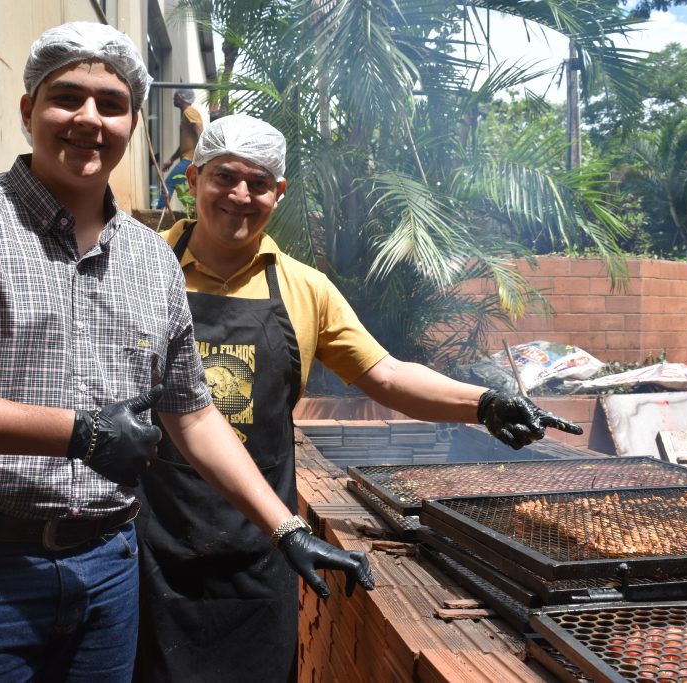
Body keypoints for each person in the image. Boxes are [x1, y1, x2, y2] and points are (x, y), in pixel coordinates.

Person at [0, 23, 372, 682]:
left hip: (107, 569)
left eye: (111, 104)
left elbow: (192, 413)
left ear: (132, 124)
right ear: (28, 111)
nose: (88, 119)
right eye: (67, 97)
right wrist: (81, 433)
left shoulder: (152, 261)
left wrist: (285, 526)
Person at [134, 114, 584, 682]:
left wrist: (485, 403)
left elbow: (386, 376)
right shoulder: (139, 268)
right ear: (194, 179)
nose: (240, 196)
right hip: (149, 543)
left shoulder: (305, 288)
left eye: (258, 183)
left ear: (280, 192)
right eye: (225, 177)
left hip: (265, 545)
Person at [155, 88, 203, 209]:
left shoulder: (189, 111)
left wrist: (201, 153)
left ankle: (160, 213)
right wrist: (172, 159)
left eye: (175, 96)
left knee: (168, 185)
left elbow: (199, 129)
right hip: (188, 158)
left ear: (181, 98)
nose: (173, 98)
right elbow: (183, 145)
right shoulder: (185, 113)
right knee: (190, 191)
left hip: (190, 159)